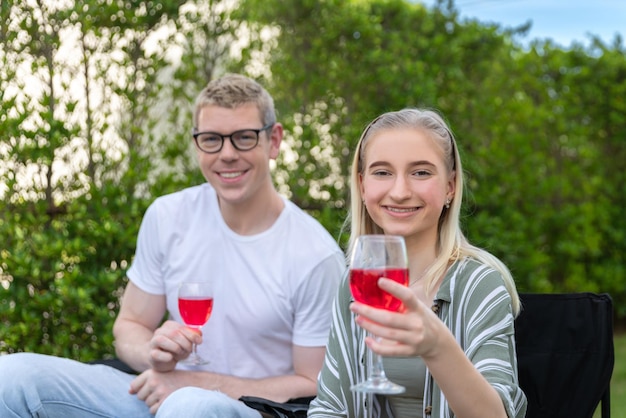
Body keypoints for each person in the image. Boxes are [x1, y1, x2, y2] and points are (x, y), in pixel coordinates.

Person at [0, 73, 345, 417]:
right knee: (12, 377)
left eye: (243, 137)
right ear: (197, 144)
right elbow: (129, 325)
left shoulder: (314, 254)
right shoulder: (168, 216)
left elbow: (313, 383)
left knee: (190, 406)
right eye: (211, 139)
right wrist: (152, 351)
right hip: (161, 393)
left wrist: (198, 383)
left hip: (249, 407)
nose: (226, 154)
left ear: (274, 141)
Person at [307, 108, 528, 418]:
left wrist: (436, 346)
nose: (399, 192)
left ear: (450, 186)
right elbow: (330, 408)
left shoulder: (480, 284)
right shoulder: (356, 283)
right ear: (362, 184)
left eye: (421, 172)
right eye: (382, 172)